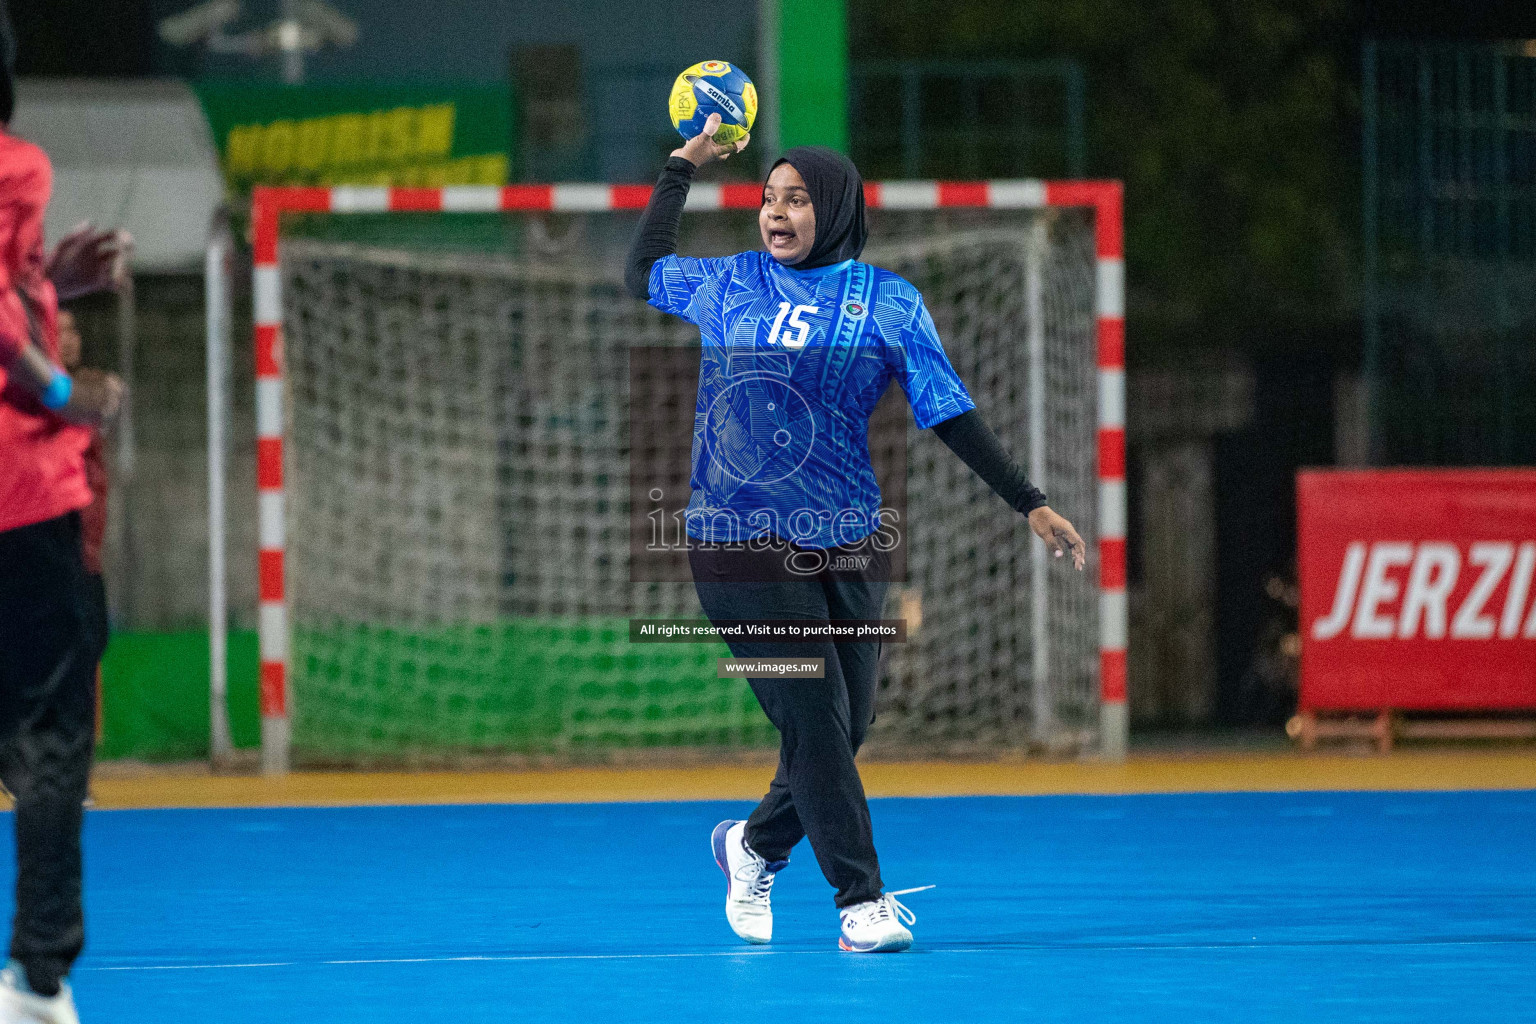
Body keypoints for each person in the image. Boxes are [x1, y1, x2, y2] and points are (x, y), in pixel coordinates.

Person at [625, 114, 1086, 953]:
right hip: (733, 539)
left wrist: (1030, 501)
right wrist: (682, 166)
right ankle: (860, 903)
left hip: (846, 538)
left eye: (798, 199)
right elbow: (643, 269)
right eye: (769, 198)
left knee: (849, 722)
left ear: (834, 208)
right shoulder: (728, 283)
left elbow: (949, 413)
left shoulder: (889, 303)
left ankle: (753, 846)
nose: (778, 212)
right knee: (812, 718)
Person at [0, 7, 130, 1019]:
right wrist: (58, 392)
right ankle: (37, 980)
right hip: (18, 497)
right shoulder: (16, 165)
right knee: (50, 743)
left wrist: (56, 281)